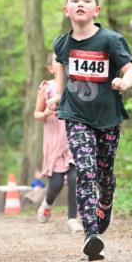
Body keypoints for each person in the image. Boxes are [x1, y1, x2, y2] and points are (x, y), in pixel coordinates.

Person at [48, 0, 132, 261]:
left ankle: (106, 199)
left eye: (87, 0)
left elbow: (131, 69)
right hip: (76, 116)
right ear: (66, 10)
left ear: (96, 9)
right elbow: (61, 76)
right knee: (85, 170)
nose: (80, 4)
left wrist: (125, 82)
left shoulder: (110, 40)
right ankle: (91, 233)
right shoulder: (62, 44)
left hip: (108, 117)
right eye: (74, 1)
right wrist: (56, 97)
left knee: (103, 172)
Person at [34, 51, 80, 232]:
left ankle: (72, 218)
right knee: (56, 183)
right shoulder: (46, 88)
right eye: (57, 62)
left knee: (75, 179)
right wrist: (44, 113)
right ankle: (47, 202)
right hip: (54, 141)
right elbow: (36, 114)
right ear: (51, 68)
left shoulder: (76, 86)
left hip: (74, 138)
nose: (62, 65)